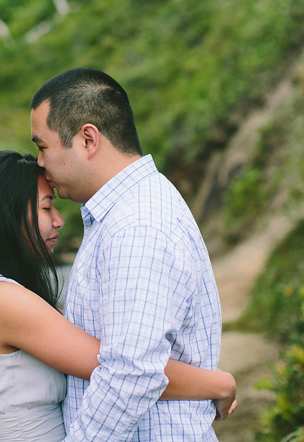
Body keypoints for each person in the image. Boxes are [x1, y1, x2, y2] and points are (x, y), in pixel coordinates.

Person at [0, 150, 236, 442]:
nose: (59, 220)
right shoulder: (1, 300)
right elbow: (120, 367)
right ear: (4, 214)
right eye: (46, 206)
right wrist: (218, 384)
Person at [30, 68, 225, 441]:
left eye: (43, 147)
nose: (40, 162)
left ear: (88, 139)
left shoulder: (137, 225)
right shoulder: (129, 212)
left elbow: (131, 373)